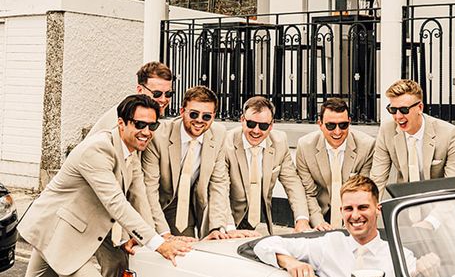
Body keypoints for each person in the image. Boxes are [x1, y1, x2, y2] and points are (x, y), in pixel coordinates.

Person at [0, 95, 190, 277]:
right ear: (122, 123)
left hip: (60, 230)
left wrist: (163, 236)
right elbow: (116, 202)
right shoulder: (98, 150)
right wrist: (157, 243)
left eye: (153, 125)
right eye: (140, 124)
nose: (147, 131)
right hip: (59, 232)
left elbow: (140, 198)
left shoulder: (131, 152)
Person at [254, 175, 437, 277]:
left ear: (377, 210)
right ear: (341, 211)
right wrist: (291, 263)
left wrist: (428, 269)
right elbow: (264, 245)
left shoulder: (400, 255)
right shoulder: (328, 244)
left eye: (363, 207)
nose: (355, 215)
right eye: (349, 209)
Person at [142, 86, 231, 238]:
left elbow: (219, 183)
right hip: (160, 198)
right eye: (194, 114)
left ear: (213, 116)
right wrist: (164, 233)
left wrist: (217, 227)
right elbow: (149, 189)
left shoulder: (219, 134)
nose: (199, 120)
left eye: (206, 116)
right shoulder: (158, 136)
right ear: (182, 111)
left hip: (190, 200)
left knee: (190, 248)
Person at [223, 96, 310, 235]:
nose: (256, 131)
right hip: (227, 219)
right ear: (242, 120)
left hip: (261, 221)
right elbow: (220, 189)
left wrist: (302, 220)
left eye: (263, 126)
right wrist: (229, 228)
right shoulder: (225, 143)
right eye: (251, 124)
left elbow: (292, 183)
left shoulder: (280, 142)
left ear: (271, 125)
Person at [295, 98, 375, 230]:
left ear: (349, 122)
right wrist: (319, 223)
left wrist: (351, 223)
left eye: (343, 125)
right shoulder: (305, 147)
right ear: (320, 124)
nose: (337, 132)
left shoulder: (367, 146)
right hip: (319, 213)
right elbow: (309, 193)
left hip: (354, 214)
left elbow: (365, 192)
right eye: (331, 125)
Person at [370, 79, 455, 192]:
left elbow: (452, 186)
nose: (398, 116)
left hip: (441, 201)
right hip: (405, 202)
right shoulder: (387, 130)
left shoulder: (449, 133)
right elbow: (377, 179)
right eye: (393, 110)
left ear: (420, 108)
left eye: (404, 110)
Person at [90, 61, 175, 134]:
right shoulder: (123, 118)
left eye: (168, 94)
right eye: (157, 94)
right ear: (140, 90)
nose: (163, 99)